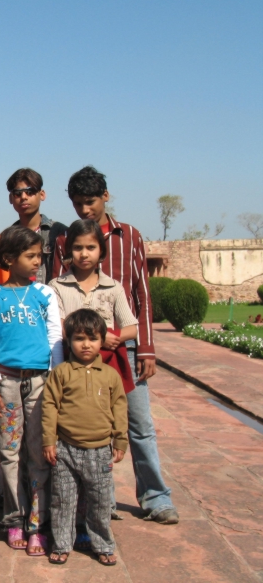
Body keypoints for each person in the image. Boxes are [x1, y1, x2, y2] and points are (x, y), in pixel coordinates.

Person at [51, 166, 179, 525]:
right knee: (82, 424)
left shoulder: (129, 236)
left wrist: (148, 348)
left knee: (137, 423)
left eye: (90, 202)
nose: (84, 210)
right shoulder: (67, 240)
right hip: (77, 352)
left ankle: (155, 497)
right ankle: (96, 500)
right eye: (77, 204)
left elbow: (141, 294)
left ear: (105, 196)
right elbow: (55, 295)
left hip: (123, 348)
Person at [0, 225, 64, 556]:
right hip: (7, 381)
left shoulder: (44, 293)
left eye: (39, 255)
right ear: (8, 258)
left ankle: (37, 523)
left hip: (41, 381)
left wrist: (56, 383)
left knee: (38, 453)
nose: (37, 261)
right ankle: (14, 519)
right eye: (30, 256)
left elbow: (55, 336)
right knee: (9, 453)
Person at [42, 309, 128, 567]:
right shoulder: (62, 372)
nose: (86, 344)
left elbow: (120, 408)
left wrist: (120, 440)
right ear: (68, 341)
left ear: (102, 340)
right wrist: (49, 440)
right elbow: (50, 407)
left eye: (92, 338)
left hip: (99, 450)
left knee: (100, 502)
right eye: (79, 338)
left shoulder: (110, 375)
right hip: (65, 450)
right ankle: (61, 544)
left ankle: (102, 544)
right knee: (62, 501)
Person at [49, 219, 138, 396]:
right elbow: (59, 327)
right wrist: (97, 338)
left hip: (106, 366)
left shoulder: (113, 287)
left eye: (91, 247)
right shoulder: (57, 286)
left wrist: (109, 338)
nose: (84, 254)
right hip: (71, 366)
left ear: (101, 251)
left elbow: (131, 329)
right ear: (69, 250)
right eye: (77, 248)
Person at [6, 168, 68, 284]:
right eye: (18, 193)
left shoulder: (59, 232)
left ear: (42, 195)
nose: (24, 197)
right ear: (11, 198)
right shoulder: (8, 239)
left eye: (30, 192)